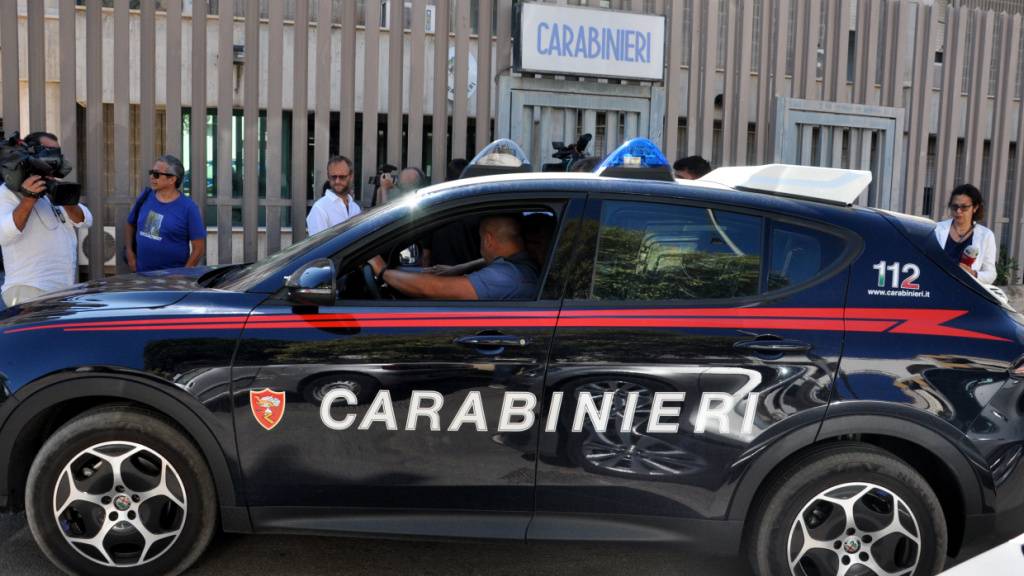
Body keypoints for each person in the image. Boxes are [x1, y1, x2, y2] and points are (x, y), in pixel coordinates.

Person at [0, 132, 92, 306]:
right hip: (28, 290)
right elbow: (3, 235)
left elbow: (85, 220)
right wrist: (28, 198)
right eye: (49, 151)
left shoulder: (51, 187)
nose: (54, 158)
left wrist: (65, 199)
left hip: (63, 289)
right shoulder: (6, 192)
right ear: (31, 155)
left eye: (57, 152)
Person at [370, 215, 538, 300]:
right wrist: (459, 269)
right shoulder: (522, 265)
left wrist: (382, 270)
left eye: (479, 238)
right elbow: (492, 263)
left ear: (488, 239)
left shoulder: (505, 277)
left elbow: (434, 288)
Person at [124, 155, 206, 272]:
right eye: (151, 172)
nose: (152, 177)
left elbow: (199, 249)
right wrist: (130, 253)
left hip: (171, 282)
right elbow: (130, 224)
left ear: (172, 179)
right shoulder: (145, 197)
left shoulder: (188, 208)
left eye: (157, 174)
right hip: (142, 277)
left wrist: (183, 275)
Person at [934, 183, 997, 285]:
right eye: (955, 207)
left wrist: (973, 274)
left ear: (975, 207)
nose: (958, 211)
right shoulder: (937, 229)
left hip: (967, 293)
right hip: (938, 287)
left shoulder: (986, 235)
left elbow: (991, 274)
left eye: (964, 207)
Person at [307, 155, 361, 235]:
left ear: (351, 176)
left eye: (342, 177)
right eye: (333, 177)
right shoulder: (320, 208)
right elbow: (319, 245)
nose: (337, 181)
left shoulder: (355, 208)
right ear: (328, 177)